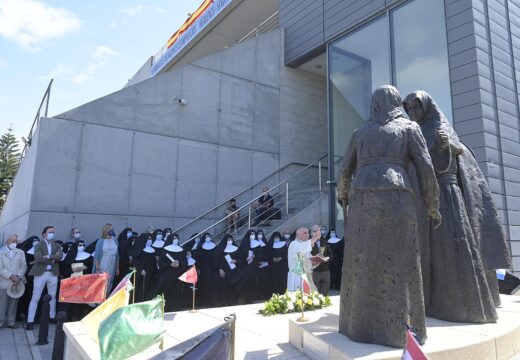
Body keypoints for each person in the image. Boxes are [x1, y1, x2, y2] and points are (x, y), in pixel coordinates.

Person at [336, 85, 441, 347]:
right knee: (401, 257)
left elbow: (344, 170)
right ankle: (401, 330)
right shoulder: (409, 128)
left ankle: (357, 326)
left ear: (374, 104)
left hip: (362, 195)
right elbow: (426, 167)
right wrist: (432, 204)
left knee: (362, 257)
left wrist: (343, 197)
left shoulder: (360, 132)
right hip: (396, 194)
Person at [403, 90, 510, 323]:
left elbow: (448, 165)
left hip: (445, 200)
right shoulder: (414, 131)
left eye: (416, 107)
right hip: (423, 201)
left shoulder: (440, 129)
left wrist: (446, 147)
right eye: (409, 108)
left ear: (427, 107)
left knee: (450, 250)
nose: (413, 113)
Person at [26, 226, 63, 330]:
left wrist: (48, 256)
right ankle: (30, 321)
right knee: (35, 297)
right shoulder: (38, 245)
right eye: (50, 232)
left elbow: (60, 256)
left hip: (53, 273)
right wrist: (52, 258)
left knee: (53, 296)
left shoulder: (56, 245)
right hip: (41, 273)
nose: (52, 233)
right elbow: (37, 258)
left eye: (53, 232)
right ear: (44, 234)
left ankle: (52, 317)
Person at [62, 239, 93, 320]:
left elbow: (91, 268)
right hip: (71, 281)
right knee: (70, 300)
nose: (82, 246)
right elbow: (64, 270)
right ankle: (70, 316)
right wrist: (72, 270)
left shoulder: (89, 256)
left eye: (83, 245)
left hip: (83, 281)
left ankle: (79, 316)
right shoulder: (70, 256)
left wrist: (86, 267)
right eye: (80, 245)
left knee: (81, 300)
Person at [0, 234, 27, 329]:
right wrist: (11, 276)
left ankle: (11, 322)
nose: (14, 243)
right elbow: (0, 268)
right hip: (4, 281)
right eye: (13, 241)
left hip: (17, 282)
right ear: (7, 241)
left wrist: (19, 277)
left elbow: (24, 266)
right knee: (2, 304)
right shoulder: (1, 252)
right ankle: (0, 322)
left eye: (16, 241)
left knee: (14, 303)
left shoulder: (20, 252)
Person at [156, 233, 186, 312]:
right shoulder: (165, 249)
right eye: (174, 238)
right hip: (167, 276)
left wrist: (179, 263)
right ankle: (165, 308)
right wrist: (170, 264)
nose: (176, 240)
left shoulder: (181, 250)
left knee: (176, 292)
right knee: (166, 292)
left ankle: (175, 307)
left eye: (177, 238)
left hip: (177, 276)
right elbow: (161, 263)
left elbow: (185, 262)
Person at [214, 234, 242, 306]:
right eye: (228, 240)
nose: (230, 241)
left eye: (231, 239)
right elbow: (215, 260)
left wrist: (236, 261)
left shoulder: (236, 248)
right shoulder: (220, 249)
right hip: (224, 271)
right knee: (224, 287)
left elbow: (241, 260)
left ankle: (234, 301)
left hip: (234, 271)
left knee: (234, 286)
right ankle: (224, 302)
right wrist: (220, 269)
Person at [92, 224, 119, 296]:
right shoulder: (100, 241)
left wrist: (117, 268)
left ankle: (105, 298)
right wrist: (97, 268)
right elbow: (96, 256)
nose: (111, 230)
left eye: (112, 229)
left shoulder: (115, 240)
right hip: (103, 263)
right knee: (101, 282)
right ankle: (98, 300)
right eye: (109, 229)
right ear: (105, 230)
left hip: (112, 264)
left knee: (109, 282)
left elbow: (117, 255)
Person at [131, 233, 157, 303]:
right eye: (149, 239)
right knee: (140, 289)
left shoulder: (152, 250)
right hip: (141, 273)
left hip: (150, 273)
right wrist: (140, 269)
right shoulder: (139, 249)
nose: (150, 240)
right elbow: (135, 261)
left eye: (151, 239)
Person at [287, 227, 312, 292]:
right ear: (298, 234)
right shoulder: (294, 244)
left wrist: (315, 260)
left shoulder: (304, 244)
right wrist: (314, 238)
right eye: (304, 233)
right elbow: (301, 251)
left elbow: (307, 259)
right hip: (296, 275)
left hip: (306, 274)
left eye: (308, 233)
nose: (307, 235)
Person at [310, 225, 333, 295]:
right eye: (315, 231)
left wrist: (326, 258)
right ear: (311, 232)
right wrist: (316, 257)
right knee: (315, 292)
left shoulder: (324, 241)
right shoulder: (308, 242)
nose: (317, 233)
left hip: (325, 270)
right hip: (315, 271)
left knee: (325, 290)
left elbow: (331, 254)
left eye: (318, 231)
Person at [267, 231, 288, 296]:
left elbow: (286, 253)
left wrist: (281, 258)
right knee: (274, 278)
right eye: (275, 237)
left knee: (283, 278)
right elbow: (268, 254)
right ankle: (274, 293)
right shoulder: (270, 244)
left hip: (282, 264)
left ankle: (283, 292)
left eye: (277, 237)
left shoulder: (284, 243)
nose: (276, 238)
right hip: (273, 265)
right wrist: (272, 258)